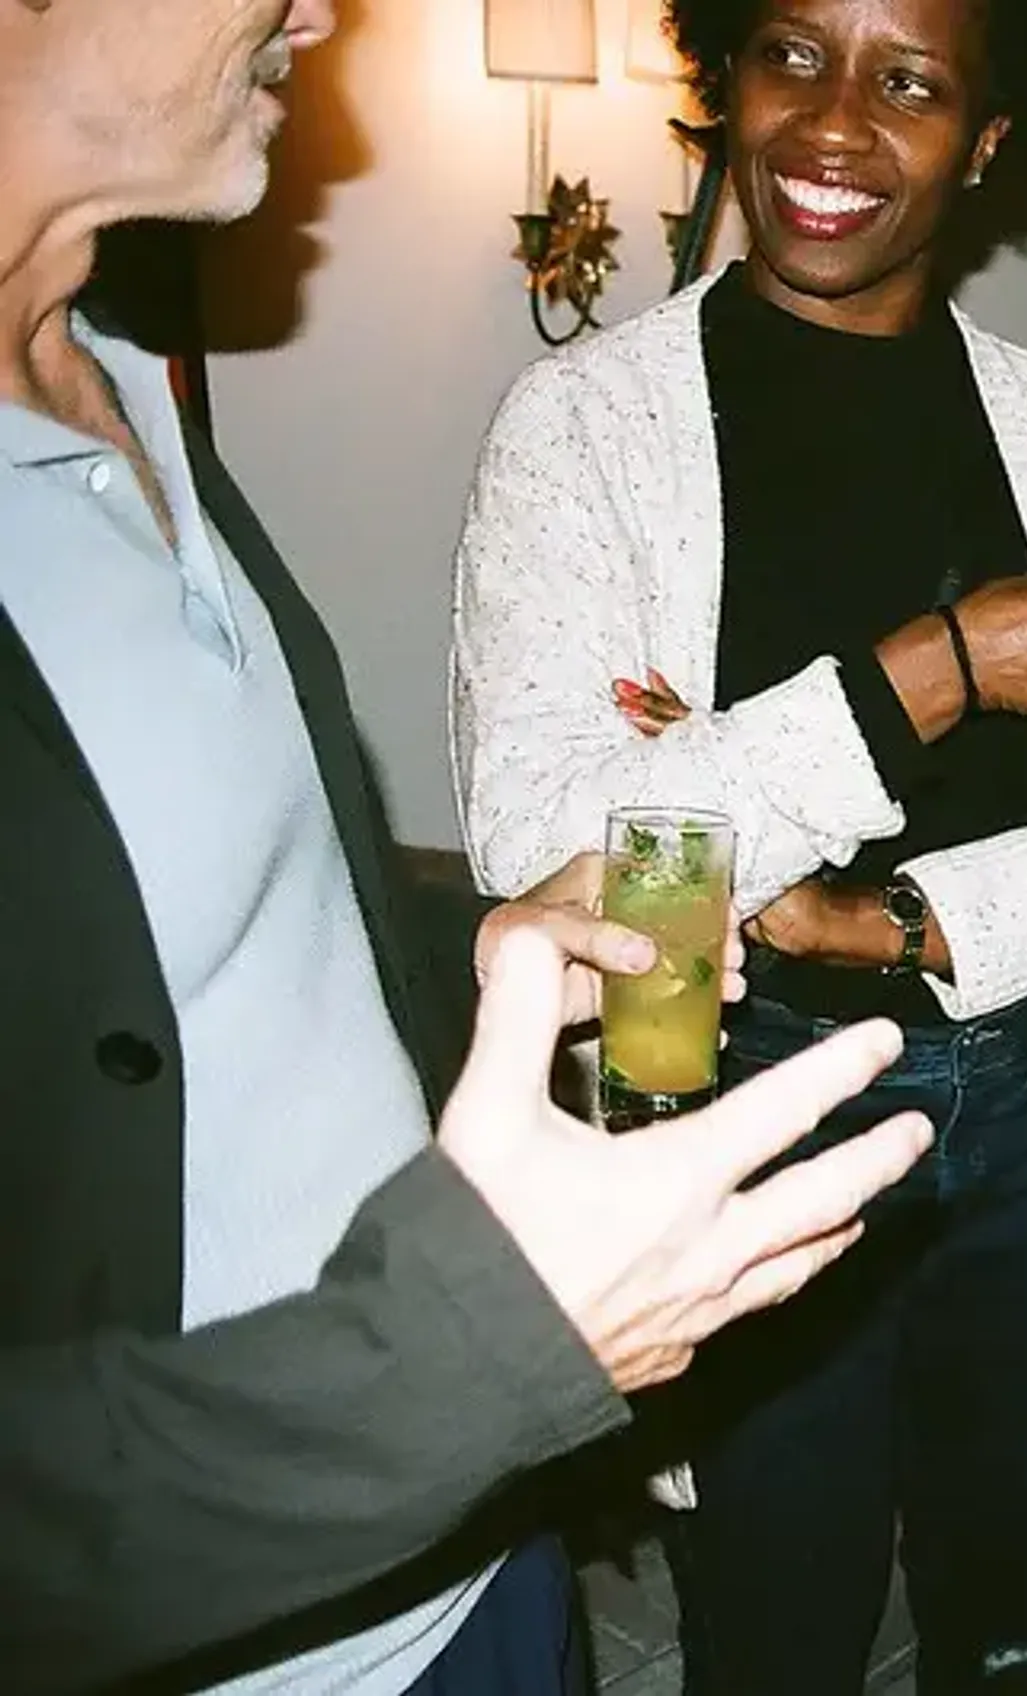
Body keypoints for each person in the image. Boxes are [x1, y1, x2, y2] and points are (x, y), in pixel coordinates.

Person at [0, 0, 935, 1690]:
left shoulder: (127, 387)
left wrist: (475, 961)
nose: (323, 7)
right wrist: (475, 1349)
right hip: (243, 1626)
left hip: (471, 1542)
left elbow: (212, 947)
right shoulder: (585, 419)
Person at [448, 0, 1027, 1686]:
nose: (833, 126)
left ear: (987, 138)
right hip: (744, 1106)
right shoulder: (583, 432)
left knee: (1012, 1623)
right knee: (780, 1634)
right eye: (792, 56)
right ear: (724, 76)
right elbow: (560, 843)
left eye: (909, 84)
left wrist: (888, 922)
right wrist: (949, 670)